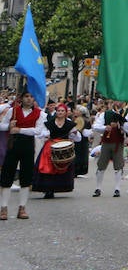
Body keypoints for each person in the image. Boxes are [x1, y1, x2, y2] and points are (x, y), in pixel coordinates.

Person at [0, 92, 44, 220]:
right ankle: (3, 208)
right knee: (7, 175)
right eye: (26, 96)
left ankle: (22, 207)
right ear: (22, 98)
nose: (29, 99)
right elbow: (1, 125)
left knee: (26, 177)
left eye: (31, 96)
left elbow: (38, 130)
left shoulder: (39, 114)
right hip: (13, 145)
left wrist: (20, 129)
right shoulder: (13, 111)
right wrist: (9, 126)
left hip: (28, 145)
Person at [32, 102, 77, 199]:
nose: (60, 112)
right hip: (50, 146)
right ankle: (48, 190)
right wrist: (45, 134)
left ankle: (59, 187)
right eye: (58, 111)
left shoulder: (70, 124)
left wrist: (75, 133)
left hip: (64, 147)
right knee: (48, 167)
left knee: (62, 167)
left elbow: (78, 138)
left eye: (62, 111)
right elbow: (40, 133)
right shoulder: (50, 123)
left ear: (66, 113)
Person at [90, 103, 128, 197]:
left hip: (118, 143)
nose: (118, 103)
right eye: (115, 101)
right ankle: (98, 188)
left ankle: (117, 189)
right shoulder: (105, 114)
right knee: (101, 165)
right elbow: (96, 126)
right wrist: (105, 127)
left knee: (118, 165)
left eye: (120, 101)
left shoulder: (127, 114)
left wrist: (120, 125)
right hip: (106, 142)